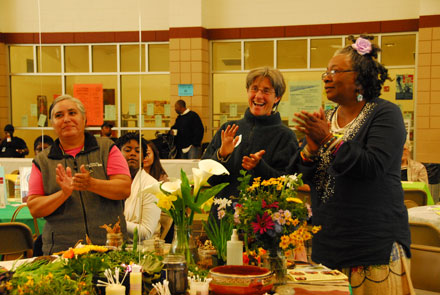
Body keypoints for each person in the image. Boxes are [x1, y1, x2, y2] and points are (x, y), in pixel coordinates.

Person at [290, 36, 414, 294]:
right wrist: (311, 149)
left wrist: (326, 139)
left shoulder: (385, 113)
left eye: (335, 71)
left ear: (360, 77)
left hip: (371, 244)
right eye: (326, 72)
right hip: (329, 243)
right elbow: (304, 178)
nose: (326, 77)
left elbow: (372, 166)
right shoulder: (328, 118)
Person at [27, 95, 131, 254]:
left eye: (72, 113)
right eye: (59, 115)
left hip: (110, 247)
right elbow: (35, 208)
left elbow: (124, 188)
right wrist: (63, 194)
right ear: (53, 124)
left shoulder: (106, 148)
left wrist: (92, 184)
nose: (66, 119)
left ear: (84, 119)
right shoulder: (42, 161)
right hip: (62, 251)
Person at [203, 66, 299, 203]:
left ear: (277, 97)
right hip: (222, 218)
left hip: (261, 219)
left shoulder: (285, 136)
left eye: (266, 91)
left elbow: (289, 184)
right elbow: (210, 179)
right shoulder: (228, 129)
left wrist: (260, 167)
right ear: (247, 91)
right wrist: (222, 155)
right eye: (254, 89)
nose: (258, 96)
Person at [115, 132, 161, 241]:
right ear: (117, 154)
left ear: (143, 157)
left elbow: (146, 232)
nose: (133, 154)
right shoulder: (109, 180)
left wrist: (116, 223)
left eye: (138, 151)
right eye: (127, 150)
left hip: (141, 250)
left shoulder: (151, 185)